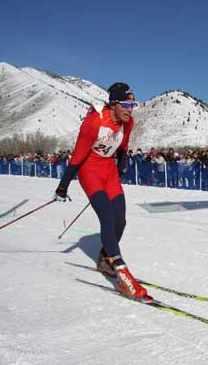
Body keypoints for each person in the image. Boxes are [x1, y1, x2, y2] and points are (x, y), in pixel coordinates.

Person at [54, 82, 149, 299]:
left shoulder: (129, 122)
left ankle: (106, 259)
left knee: (120, 221)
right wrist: (63, 186)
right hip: (90, 171)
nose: (129, 109)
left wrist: (121, 167)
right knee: (107, 219)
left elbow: (123, 147)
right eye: (126, 104)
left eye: (132, 104)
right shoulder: (94, 121)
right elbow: (77, 157)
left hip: (109, 172)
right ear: (114, 104)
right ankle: (121, 270)